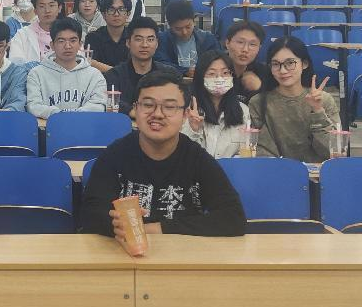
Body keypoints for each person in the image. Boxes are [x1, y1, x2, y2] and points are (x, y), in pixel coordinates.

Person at [81, 71, 246, 238]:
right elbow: (90, 214)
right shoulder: (115, 155)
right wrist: (113, 224)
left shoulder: (196, 158)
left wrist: (155, 229)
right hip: (125, 250)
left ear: (185, 114)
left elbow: (234, 218)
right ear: (135, 109)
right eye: (148, 105)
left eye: (169, 107)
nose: (157, 114)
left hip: (182, 253)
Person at [249, 36, 340, 162]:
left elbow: (333, 151)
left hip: (319, 172)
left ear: (304, 64)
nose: (283, 70)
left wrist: (318, 110)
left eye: (290, 63)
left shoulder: (324, 100)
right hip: (276, 171)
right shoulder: (258, 103)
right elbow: (262, 151)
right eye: (276, 64)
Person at [27, 18, 107, 117]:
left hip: (84, 125)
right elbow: (33, 106)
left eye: (73, 40)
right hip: (49, 126)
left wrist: (72, 117)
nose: (67, 46)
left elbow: (99, 105)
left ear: (80, 44)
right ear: (52, 45)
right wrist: (60, 116)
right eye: (61, 41)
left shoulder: (95, 75)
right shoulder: (36, 74)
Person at [182, 50, 250, 159]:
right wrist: (193, 130)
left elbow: (245, 152)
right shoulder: (188, 109)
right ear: (200, 77)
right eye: (212, 74)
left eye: (225, 73)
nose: (219, 78)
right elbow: (181, 151)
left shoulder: (243, 110)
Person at [104, 17, 177, 118]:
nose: (145, 45)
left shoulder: (169, 75)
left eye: (150, 40)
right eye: (139, 39)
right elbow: (109, 101)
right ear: (128, 43)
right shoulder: (114, 76)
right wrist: (131, 111)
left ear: (157, 43)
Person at [155, 0, 220, 76]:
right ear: (169, 25)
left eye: (188, 27)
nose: (184, 32)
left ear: (194, 21)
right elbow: (159, 63)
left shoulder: (207, 39)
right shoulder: (162, 40)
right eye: (178, 29)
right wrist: (184, 71)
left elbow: (218, 61)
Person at [10, 0, 60, 65]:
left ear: (59, 8)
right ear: (35, 10)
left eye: (51, 5)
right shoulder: (22, 35)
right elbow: (16, 63)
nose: (47, 10)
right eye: (42, 6)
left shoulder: (69, 33)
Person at [84, 0, 131, 73]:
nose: (116, 14)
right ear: (103, 15)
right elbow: (90, 63)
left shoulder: (134, 37)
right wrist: (119, 73)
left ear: (128, 14)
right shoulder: (93, 38)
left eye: (121, 9)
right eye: (111, 10)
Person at [225, 20, 269, 103]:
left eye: (252, 44)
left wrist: (259, 89)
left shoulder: (265, 73)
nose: (245, 49)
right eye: (240, 42)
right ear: (227, 43)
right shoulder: (213, 69)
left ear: (259, 48)